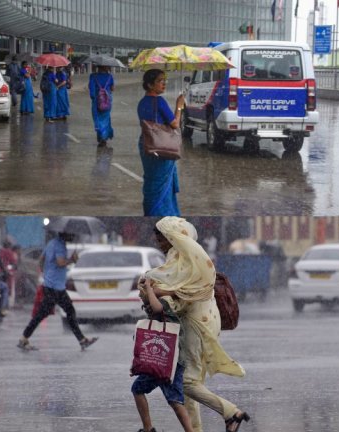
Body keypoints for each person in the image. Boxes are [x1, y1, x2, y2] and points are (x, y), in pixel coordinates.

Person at [147, 217, 250, 432]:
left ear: (171, 237)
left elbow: (184, 293)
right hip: (205, 320)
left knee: (185, 382)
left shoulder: (182, 259)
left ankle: (231, 412)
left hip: (195, 324)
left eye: (162, 239)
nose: (159, 244)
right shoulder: (191, 255)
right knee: (191, 383)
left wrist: (154, 291)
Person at [132, 278, 195, 432]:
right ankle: (148, 428)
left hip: (171, 361)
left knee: (175, 400)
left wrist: (148, 288)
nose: (140, 296)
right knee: (138, 389)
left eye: (141, 292)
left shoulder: (164, 302)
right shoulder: (151, 304)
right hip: (160, 360)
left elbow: (158, 309)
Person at [18, 230, 97, 351]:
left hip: (51, 286)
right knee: (68, 312)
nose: (73, 236)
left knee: (44, 314)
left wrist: (46, 274)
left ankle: (24, 338)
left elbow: (41, 260)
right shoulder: (60, 246)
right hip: (56, 288)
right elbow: (60, 262)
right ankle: (82, 340)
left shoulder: (51, 243)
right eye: (71, 234)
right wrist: (72, 260)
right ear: (65, 234)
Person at [137, 69, 185, 216]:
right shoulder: (160, 102)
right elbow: (175, 124)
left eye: (165, 80)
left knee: (151, 180)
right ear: (150, 85)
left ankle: (150, 210)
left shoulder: (142, 102)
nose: (164, 84)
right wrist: (179, 106)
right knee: (162, 185)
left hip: (146, 144)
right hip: (161, 147)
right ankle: (163, 214)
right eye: (160, 81)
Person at [88, 65, 115, 147]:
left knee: (98, 120)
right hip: (107, 101)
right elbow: (113, 89)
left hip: (97, 101)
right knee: (106, 120)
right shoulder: (110, 77)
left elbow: (91, 91)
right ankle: (104, 137)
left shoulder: (93, 76)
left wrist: (94, 96)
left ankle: (101, 138)